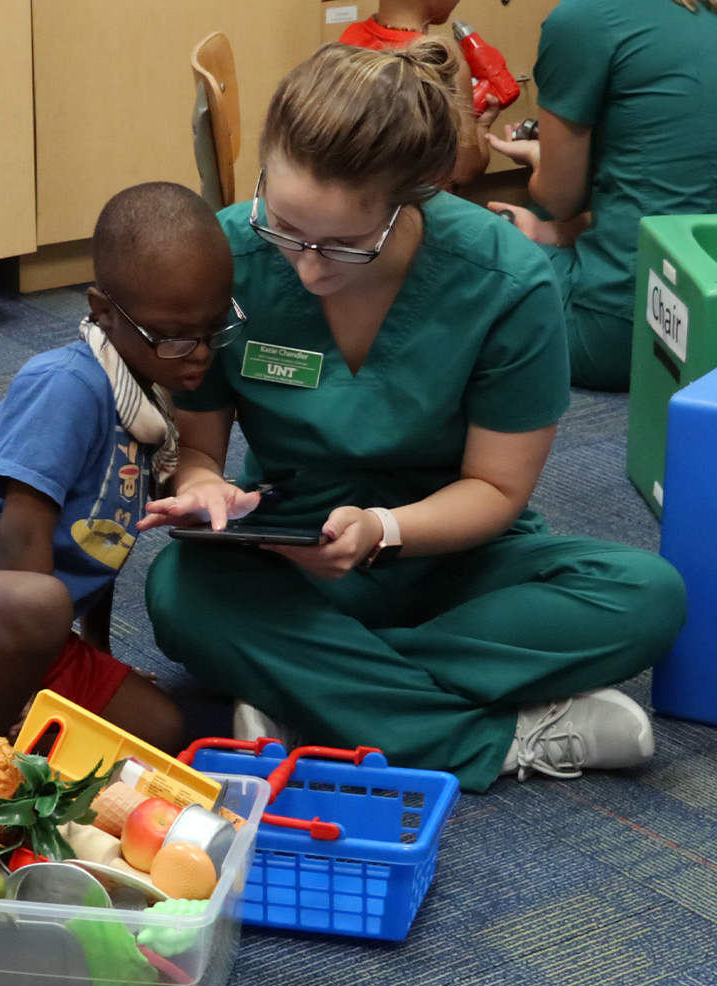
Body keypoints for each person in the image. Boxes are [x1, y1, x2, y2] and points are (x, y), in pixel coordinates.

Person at [138, 41, 686, 793]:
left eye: (342, 247)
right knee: (178, 590)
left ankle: (311, 692)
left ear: (417, 197)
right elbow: (199, 450)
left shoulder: (508, 282)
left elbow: (494, 491)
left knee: (648, 598)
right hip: (294, 554)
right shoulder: (229, 252)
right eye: (285, 229)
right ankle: (491, 738)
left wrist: (384, 531)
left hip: (450, 552)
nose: (305, 266)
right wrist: (203, 489)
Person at [0, 182, 244, 753]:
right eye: (176, 338)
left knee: (161, 729)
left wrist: (94, 659)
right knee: (40, 606)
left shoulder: (147, 411)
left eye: (213, 330)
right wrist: (39, 678)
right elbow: (25, 532)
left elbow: (98, 548)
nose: (202, 354)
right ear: (103, 312)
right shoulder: (66, 385)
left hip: (30, 622)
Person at [486, 0, 717, 391]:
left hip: (627, 331)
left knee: (467, 239)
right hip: (706, 314)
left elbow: (561, 199)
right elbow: (674, 190)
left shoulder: (585, 18)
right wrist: (555, 231)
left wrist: (542, 160)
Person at [338, 0, 499, 189]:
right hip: (413, 210)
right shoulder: (447, 65)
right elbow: (463, 172)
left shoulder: (348, 40)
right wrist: (482, 126)